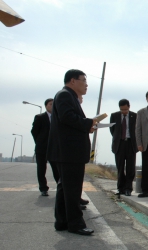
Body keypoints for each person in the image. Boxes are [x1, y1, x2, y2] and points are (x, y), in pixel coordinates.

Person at [47, 69, 96, 235]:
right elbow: (68, 117)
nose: (86, 84)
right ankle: (76, 224)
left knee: (65, 189)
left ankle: (62, 221)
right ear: (73, 81)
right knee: (73, 190)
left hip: (67, 152)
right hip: (69, 152)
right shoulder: (65, 95)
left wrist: (86, 125)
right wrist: (88, 122)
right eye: (84, 80)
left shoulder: (68, 96)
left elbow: (70, 122)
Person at [110, 99, 139, 196]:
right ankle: (120, 188)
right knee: (120, 167)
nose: (124, 111)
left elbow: (137, 130)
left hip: (130, 143)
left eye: (126, 109)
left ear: (129, 107)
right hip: (119, 144)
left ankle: (128, 188)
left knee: (130, 168)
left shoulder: (134, 116)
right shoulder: (114, 116)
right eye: (122, 110)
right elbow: (112, 130)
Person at [31, 98, 59, 197]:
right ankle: (43, 188)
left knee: (57, 169)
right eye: (51, 104)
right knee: (41, 169)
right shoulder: (40, 117)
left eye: (54, 104)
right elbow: (34, 132)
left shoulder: (58, 117)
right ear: (46, 106)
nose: (52, 106)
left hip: (54, 148)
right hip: (42, 148)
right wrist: (39, 142)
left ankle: (60, 187)